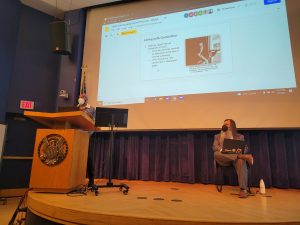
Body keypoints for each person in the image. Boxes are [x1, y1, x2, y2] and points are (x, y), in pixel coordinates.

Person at [212, 119, 253, 198]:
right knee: (216, 154)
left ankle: (243, 190)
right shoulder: (217, 136)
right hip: (224, 160)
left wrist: (241, 150)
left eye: (227, 124)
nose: (224, 126)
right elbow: (214, 147)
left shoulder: (239, 136)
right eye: (224, 124)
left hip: (235, 161)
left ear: (232, 126)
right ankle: (241, 156)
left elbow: (245, 148)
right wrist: (224, 151)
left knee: (241, 161)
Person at [77, 93, 97, 189]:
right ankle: (75, 180)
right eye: (80, 97)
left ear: (86, 99)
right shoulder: (76, 109)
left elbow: (94, 123)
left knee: (88, 158)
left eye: (83, 97)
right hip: (75, 136)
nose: (81, 99)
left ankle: (91, 180)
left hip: (87, 136)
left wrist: (88, 135)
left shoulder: (92, 109)